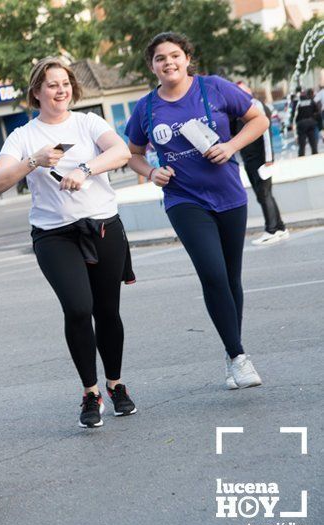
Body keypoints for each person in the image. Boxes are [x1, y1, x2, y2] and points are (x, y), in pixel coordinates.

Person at [0, 57, 136, 428]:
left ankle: (115, 384)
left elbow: (121, 152)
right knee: (77, 307)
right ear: (37, 92)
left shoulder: (88, 123)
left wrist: (84, 169)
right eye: (52, 84)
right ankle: (90, 392)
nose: (61, 89)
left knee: (106, 311)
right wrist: (33, 161)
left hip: (102, 226)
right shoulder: (23, 136)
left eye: (66, 82)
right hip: (55, 235)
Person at [124, 32, 268, 390]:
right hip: (184, 200)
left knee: (231, 277)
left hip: (229, 195)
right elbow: (132, 153)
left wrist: (231, 145)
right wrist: (152, 172)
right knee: (213, 274)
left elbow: (258, 119)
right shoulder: (146, 108)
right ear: (152, 66)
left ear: (188, 58)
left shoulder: (214, 88)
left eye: (175, 55)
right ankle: (238, 357)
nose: (168, 63)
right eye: (160, 58)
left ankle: (230, 351)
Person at [232, 83, 289, 245]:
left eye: (242, 89)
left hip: (261, 158)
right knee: (263, 194)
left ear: (249, 90)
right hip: (250, 159)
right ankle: (280, 227)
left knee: (264, 193)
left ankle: (271, 230)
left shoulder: (256, 106)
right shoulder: (239, 109)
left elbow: (266, 133)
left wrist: (269, 158)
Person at [292, 88, 320, 157]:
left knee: (302, 145)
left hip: (301, 124)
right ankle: (315, 156)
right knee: (313, 143)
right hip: (311, 123)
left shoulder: (297, 103)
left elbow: (293, 114)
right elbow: (317, 111)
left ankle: (301, 158)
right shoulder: (311, 101)